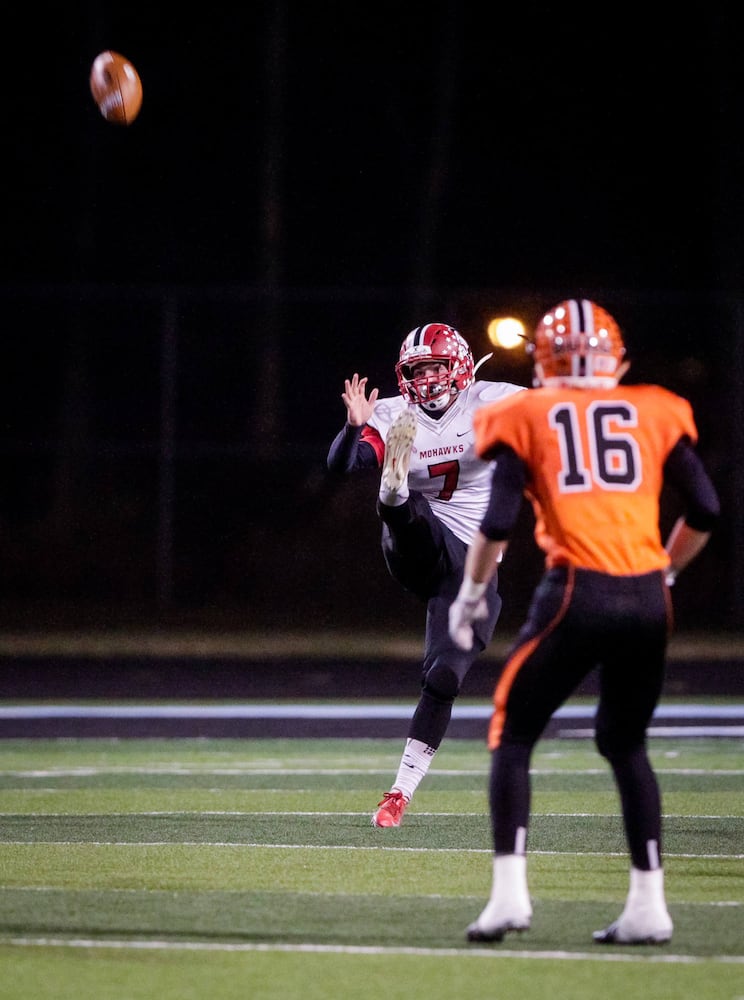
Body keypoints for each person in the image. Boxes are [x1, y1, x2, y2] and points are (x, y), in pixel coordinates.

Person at [448, 298, 720, 945]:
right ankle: (648, 905)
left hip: (576, 590)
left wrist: (469, 594)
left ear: (542, 365)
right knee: (626, 744)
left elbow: (495, 522)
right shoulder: (655, 408)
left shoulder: (525, 412)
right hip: (650, 598)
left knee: (512, 735)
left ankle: (510, 897)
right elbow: (707, 508)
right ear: (616, 360)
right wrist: (668, 570)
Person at [327, 322, 525, 827]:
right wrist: (354, 426)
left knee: (443, 678)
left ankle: (398, 795)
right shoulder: (394, 413)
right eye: (418, 370)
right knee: (408, 507)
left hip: (471, 566)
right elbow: (344, 465)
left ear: (457, 365)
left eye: (436, 366)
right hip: (417, 543)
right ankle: (392, 498)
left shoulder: (495, 400)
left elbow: (561, 414)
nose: (429, 378)